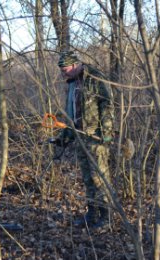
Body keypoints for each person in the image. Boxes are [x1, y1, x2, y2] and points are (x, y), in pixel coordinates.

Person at [56, 51, 115, 229]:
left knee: (100, 178)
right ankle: (91, 215)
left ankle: (107, 218)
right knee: (88, 178)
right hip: (80, 138)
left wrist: (106, 131)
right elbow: (72, 113)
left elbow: (107, 104)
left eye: (65, 70)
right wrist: (65, 135)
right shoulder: (73, 83)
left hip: (96, 138)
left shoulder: (95, 78)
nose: (63, 74)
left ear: (75, 66)